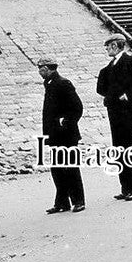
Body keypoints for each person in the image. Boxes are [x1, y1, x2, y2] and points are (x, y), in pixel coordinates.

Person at [96, 35, 132, 200]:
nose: (106, 49)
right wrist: (110, 97)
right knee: (119, 150)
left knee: (128, 149)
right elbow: (101, 88)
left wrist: (128, 95)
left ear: (115, 45)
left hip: (128, 113)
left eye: (108, 46)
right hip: (115, 114)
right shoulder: (108, 68)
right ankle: (126, 188)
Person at [38, 57, 85, 214]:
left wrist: (65, 121)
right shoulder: (49, 84)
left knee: (71, 168)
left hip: (66, 135)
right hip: (54, 135)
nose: (39, 71)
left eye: (42, 68)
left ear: (50, 68)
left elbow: (77, 107)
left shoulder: (63, 83)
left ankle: (78, 201)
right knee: (57, 169)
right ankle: (62, 202)